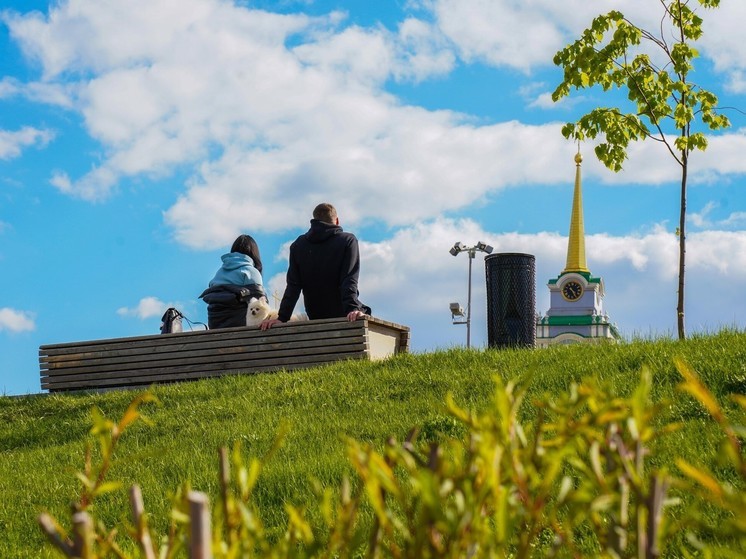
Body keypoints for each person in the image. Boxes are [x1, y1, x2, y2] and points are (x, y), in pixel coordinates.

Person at [261, 203, 370, 330]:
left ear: (313, 221)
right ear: (337, 221)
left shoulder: (298, 245)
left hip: (316, 314)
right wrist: (353, 308)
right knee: (368, 314)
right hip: (343, 312)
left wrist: (282, 317)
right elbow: (349, 279)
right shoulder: (348, 241)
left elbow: (293, 286)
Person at [199, 234, 267, 329]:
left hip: (215, 327)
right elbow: (261, 306)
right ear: (254, 253)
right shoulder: (251, 272)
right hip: (242, 327)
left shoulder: (219, 273)